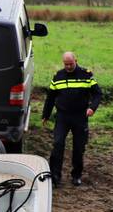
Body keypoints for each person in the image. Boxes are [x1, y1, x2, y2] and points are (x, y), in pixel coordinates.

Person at [42, 51, 102, 186]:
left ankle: (76, 175)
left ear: (76, 60)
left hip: (80, 116)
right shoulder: (58, 76)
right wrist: (46, 114)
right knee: (58, 144)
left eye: (71, 64)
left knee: (79, 147)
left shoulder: (86, 75)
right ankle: (55, 176)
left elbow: (98, 94)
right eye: (66, 64)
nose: (68, 66)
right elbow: (50, 97)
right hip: (62, 116)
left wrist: (92, 108)